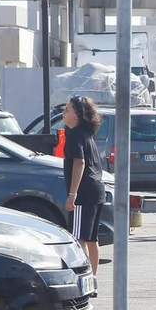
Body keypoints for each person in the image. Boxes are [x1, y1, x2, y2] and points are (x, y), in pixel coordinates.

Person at [62, 95, 105, 273]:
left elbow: (79, 163)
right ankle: (92, 278)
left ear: (78, 115)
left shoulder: (74, 134)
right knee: (91, 239)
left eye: (67, 110)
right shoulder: (87, 134)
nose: (63, 113)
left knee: (78, 238)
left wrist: (72, 195)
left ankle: (83, 278)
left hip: (84, 193)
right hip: (96, 190)